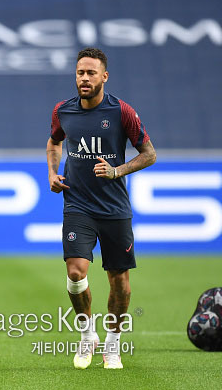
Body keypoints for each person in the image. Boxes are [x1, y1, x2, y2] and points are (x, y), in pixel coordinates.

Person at [46, 47, 156, 370]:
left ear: (104, 77)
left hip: (114, 208)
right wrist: (53, 173)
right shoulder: (63, 111)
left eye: (91, 73)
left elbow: (149, 153)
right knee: (75, 273)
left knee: (119, 282)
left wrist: (116, 171)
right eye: (80, 72)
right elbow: (54, 141)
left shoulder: (121, 111)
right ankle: (86, 333)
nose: (84, 78)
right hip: (77, 204)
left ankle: (112, 343)